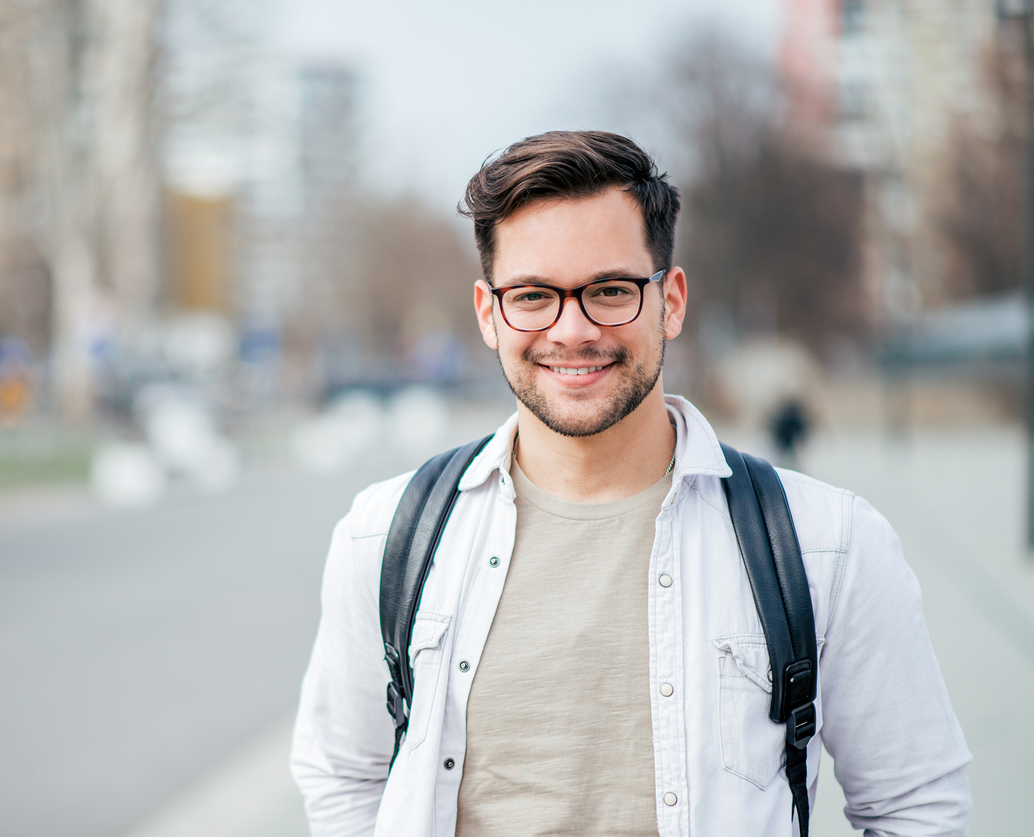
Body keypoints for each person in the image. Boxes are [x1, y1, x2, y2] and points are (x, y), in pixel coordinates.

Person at [291, 132, 970, 836]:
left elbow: (916, 809)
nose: (572, 328)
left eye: (610, 290)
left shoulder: (826, 545)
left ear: (670, 301)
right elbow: (343, 777)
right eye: (532, 295)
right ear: (489, 313)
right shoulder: (385, 537)